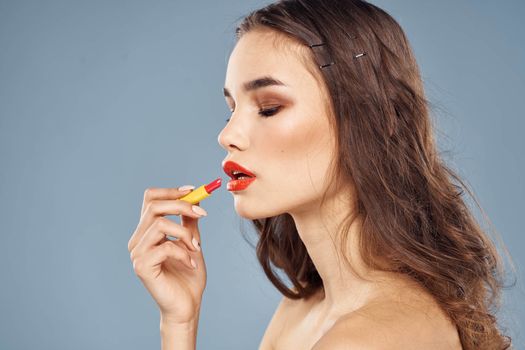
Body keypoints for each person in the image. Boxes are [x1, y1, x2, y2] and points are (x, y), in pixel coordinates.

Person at [127, 0, 515, 349]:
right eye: (231, 110)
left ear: (367, 118)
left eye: (269, 107)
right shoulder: (303, 307)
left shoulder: (370, 338)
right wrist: (179, 322)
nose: (227, 135)